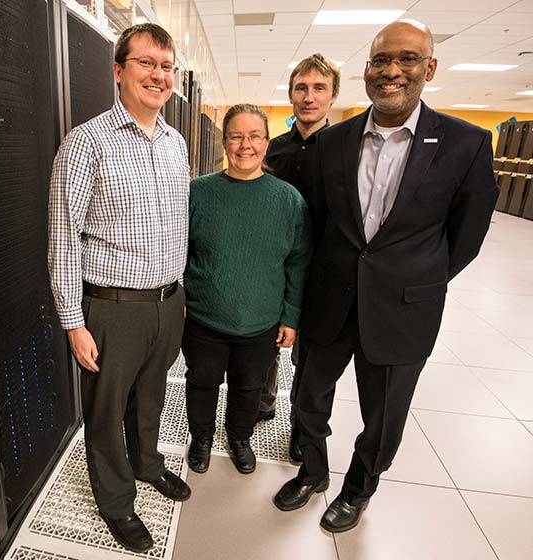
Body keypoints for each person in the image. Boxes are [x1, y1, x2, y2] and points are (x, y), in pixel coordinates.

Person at [273, 20, 499, 533]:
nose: (392, 71)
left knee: (384, 416)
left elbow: (466, 236)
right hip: (331, 300)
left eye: (408, 59)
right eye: (380, 60)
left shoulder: (465, 143)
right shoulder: (335, 142)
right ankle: (311, 471)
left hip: (403, 307)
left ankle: (358, 489)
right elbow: (324, 222)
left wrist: (419, 279)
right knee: (308, 398)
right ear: (367, 70)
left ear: (430, 68)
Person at [47, 23, 191, 553]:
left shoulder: (176, 143)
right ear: (119, 71)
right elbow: (63, 236)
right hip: (112, 309)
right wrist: (73, 321)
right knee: (107, 413)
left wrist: (180, 300)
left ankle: (149, 463)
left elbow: (180, 225)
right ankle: (116, 503)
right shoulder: (86, 143)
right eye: (146, 63)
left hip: (167, 302)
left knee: (151, 396)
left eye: (166, 65)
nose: (159, 75)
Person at [183, 104, 312, 476]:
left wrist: (291, 316)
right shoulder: (199, 192)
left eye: (254, 136)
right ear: (224, 142)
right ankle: (202, 438)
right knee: (202, 382)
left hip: (261, 321)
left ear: (267, 143)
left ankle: (239, 438)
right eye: (237, 136)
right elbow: (180, 251)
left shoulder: (288, 200)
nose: (245, 145)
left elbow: (298, 262)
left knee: (248, 387)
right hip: (204, 317)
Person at [261, 53, 340, 463]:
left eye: (319, 88)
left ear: (333, 95)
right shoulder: (271, 150)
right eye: (301, 88)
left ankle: (304, 429)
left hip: (326, 274)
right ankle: (264, 402)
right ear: (291, 94)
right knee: (265, 343)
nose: (309, 97)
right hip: (275, 269)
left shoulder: (346, 150)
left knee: (313, 358)